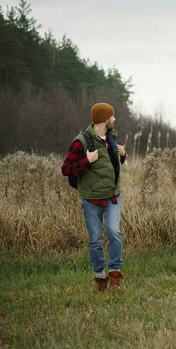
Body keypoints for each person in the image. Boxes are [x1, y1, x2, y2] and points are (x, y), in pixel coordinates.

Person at [61, 102, 126, 293]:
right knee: (96, 240)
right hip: (91, 200)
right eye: (112, 116)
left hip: (113, 197)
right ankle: (100, 279)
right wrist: (86, 161)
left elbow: (111, 164)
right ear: (105, 119)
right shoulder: (81, 141)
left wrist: (123, 155)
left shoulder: (110, 138)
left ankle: (115, 276)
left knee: (114, 233)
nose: (115, 119)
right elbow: (66, 169)